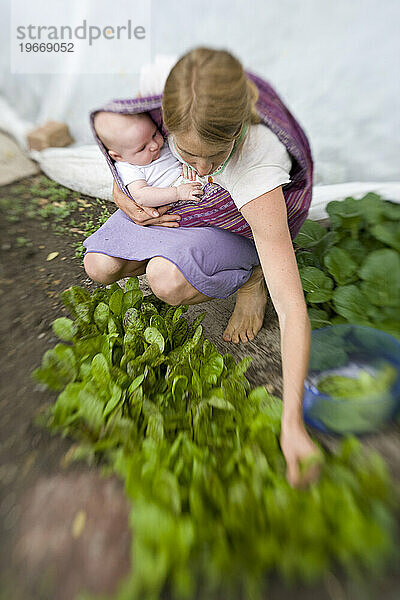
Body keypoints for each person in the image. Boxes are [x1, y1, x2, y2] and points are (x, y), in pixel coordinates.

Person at [84, 47, 321, 488]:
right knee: (97, 265)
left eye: (216, 157)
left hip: (235, 221)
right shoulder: (164, 83)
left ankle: (250, 277)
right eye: (189, 154)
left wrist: (292, 422)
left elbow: (293, 311)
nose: (204, 169)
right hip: (182, 206)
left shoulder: (257, 166)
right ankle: (189, 250)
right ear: (164, 120)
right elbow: (122, 151)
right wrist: (125, 196)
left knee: (165, 280)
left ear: (237, 133)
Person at [93, 110, 255, 238]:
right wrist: (177, 193)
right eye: (142, 148)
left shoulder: (160, 145)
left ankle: (251, 222)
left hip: (193, 184)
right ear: (117, 156)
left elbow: (181, 154)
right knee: (215, 206)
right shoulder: (128, 167)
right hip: (174, 201)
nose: (154, 145)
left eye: (154, 134)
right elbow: (142, 196)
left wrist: (187, 164)